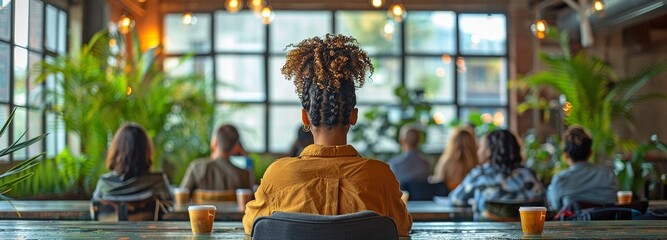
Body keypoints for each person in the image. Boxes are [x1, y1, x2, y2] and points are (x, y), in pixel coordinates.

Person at [243, 34, 412, 236]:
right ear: (353, 116)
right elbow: (402, 228)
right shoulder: (380, 176)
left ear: (305, 118)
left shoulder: (278, 175)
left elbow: (251, 226)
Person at [448, 129, 545, 220]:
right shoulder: (529, 174)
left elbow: (456, 200)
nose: (478, 151)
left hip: (485, 234)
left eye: (481, 146)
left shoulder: (480, 174)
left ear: (488, 151)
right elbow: (543, 202)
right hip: (525, 232)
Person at [92, 123, 172, 202]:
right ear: (146, 151)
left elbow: (95, 209)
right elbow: (172, 210)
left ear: (116, 151)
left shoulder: (105, 183)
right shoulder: (158, 181)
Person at [547, 126, 618, 210]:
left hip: (573, 222)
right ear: (590, 153)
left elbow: (555, 207)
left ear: (566, 155)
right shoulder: (608, 175)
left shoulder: (561, 179)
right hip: (608, 222)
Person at [180, 124, 252, 192]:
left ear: (214, 142)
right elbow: (252, 203)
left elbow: (181, 197)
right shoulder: (244, 175)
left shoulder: (196, 168)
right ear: (236, 148)